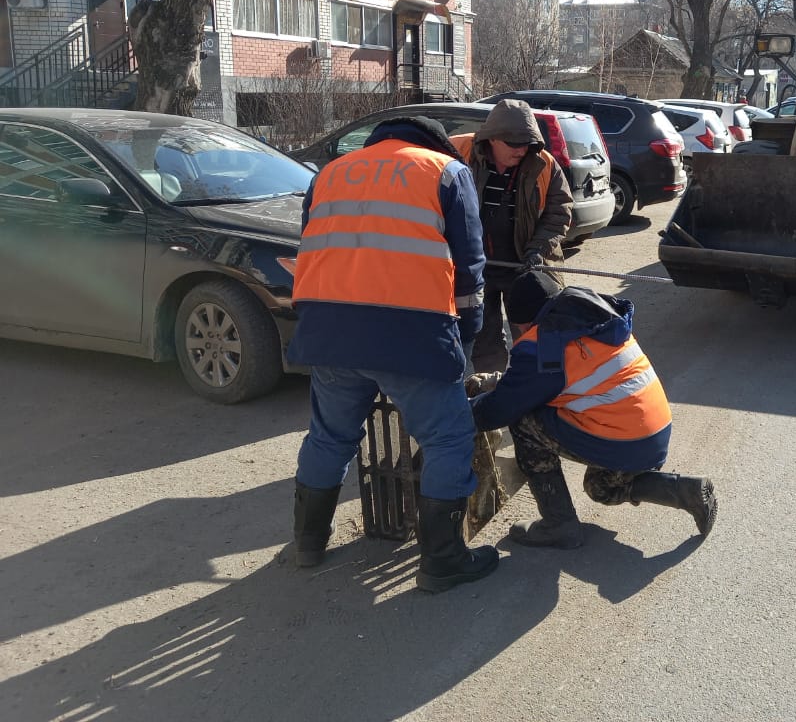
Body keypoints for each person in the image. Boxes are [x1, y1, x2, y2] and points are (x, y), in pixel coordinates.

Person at [287, 116, 498, 595]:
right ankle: (443, 560)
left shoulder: (331, 172)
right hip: (412, 332)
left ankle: (308, 541)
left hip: (329, 331)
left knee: (329, 438)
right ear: (437, 144)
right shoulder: (446, 171)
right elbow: (468, 269)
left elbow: (314, 245)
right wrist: (464, 342)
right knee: (446, 440)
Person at [467, 271, 717, 549]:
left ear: (524, 320)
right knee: (601, 487)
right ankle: (684, 491)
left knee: (524, 421)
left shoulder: (543, 343)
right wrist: (495, 383)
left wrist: (458, 415)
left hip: (623, 440)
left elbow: (502, 408)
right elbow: (548, 381)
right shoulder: (592, 321)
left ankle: (558, 525)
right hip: (652, 434)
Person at [451, 99, 573, 373]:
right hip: (475, 269)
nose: (521, 150)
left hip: (525, 265)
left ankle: (531, 392)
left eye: (526, 144)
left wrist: (537, 252)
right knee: (484, 336)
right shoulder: (459, 152)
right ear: (492, 139)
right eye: (514, 144)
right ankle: (489, 389)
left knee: (535, 337)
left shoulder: (544, 165)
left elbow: (559, 214)